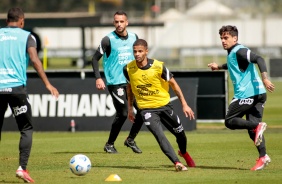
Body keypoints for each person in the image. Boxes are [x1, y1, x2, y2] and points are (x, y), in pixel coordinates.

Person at [0, 8, 59, 183]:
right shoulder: (27, 36)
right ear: (22, 21)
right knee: (26, 128)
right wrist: (47, 84)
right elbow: (34, 59)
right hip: (16, 89)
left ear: (6, 21)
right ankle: (22, 168)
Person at [208, 25, 275, 171]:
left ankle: (257, 126)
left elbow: (259, 58)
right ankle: (263, 156)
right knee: (253, 132)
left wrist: (265, 78)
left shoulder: (240, 50)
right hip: (259, 94)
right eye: (221, 38)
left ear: (235, 38)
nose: (223, 41)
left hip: (247, 93)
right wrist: (218, 67)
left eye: (226, 38)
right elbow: (233, 65)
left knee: (230, 121)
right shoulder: (233, 53)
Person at [123, 39, 196, 171]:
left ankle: (184, 152)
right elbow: (129, 88)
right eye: (135, 51)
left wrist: (185, 105)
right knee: (159, 135)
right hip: (146, 109)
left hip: (165, 106)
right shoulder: (128, 68)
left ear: (146, 51)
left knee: (180, 134)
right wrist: (130, 108)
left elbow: (174, 85)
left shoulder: (158, 66)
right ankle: (177, 162)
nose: (137, 54)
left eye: (140, 51)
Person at [92, 10, 143, 154]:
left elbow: (139, 57)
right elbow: (94, 59)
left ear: (127, 22)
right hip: (116, 83)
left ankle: (130, 139)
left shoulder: (134, 37)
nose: (119, 24)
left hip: (132, 82)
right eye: (116, 22)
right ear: (113, 22)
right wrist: (98, 78)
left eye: (122, 21)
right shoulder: (107, 40)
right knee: (123, 113)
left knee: (144, 111)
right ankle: (109, 144)